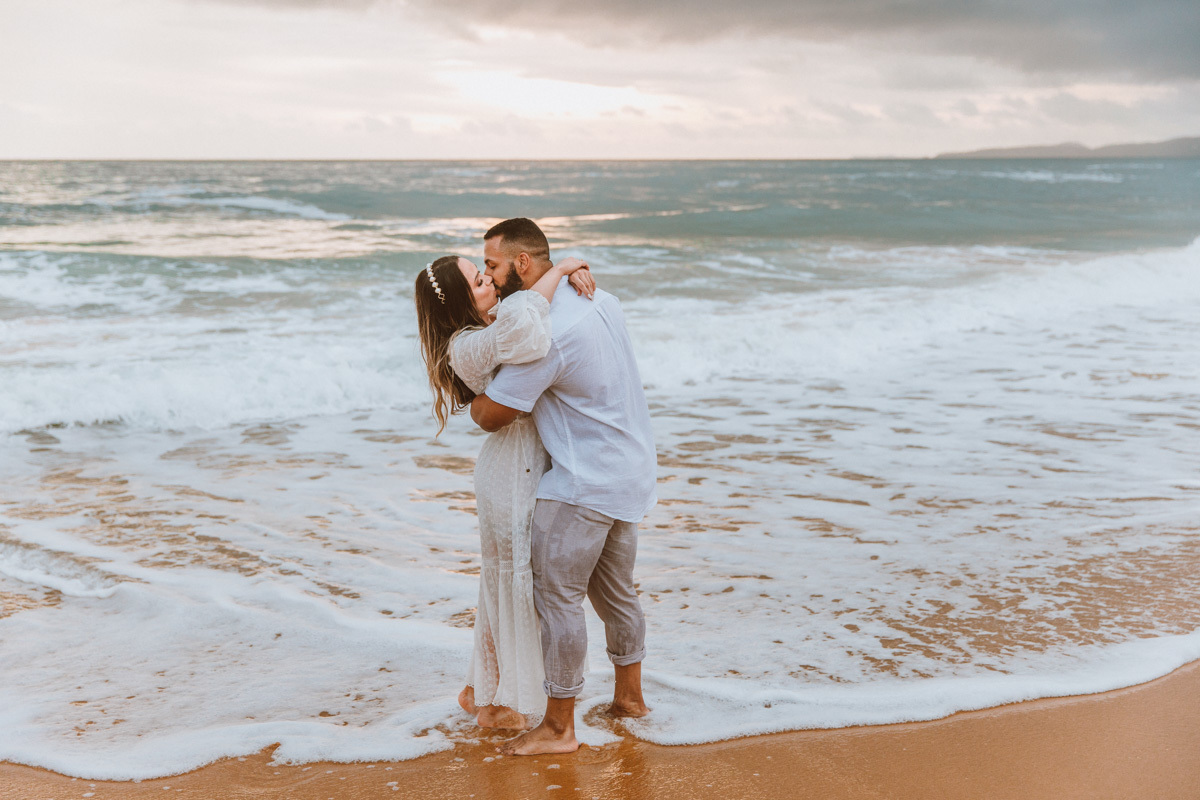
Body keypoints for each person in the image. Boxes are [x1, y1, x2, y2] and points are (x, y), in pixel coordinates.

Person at [471, 218, 657, 756]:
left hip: (581, 483)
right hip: (630, 469)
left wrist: (466, 375)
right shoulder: (602, 299)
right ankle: (629, 700)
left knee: (557, 601)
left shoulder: (545, 333)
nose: (489, 274)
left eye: (492, 265)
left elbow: (495, 414)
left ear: (522, 265)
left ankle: (559, 728)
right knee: (617, 594)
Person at [414, 250, 595, 730]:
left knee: (506, 583)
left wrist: (548, 275)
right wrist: (557, 270)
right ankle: (498, 703)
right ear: (460, 302)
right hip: (511, 471)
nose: (492, 282)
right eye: (479, 281)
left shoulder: (488, 329)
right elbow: (530, 336)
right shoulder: (468, 344)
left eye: (486, 272)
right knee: (513, 582)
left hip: (521, 466)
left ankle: (482, 690)